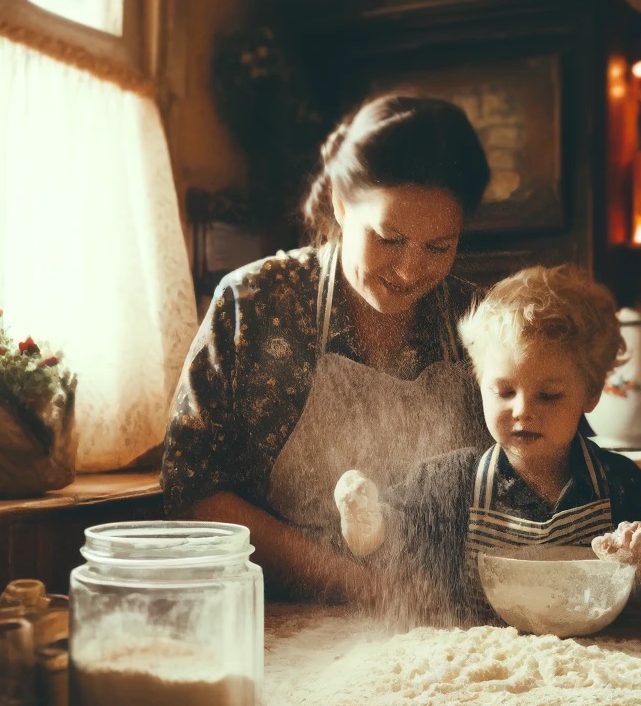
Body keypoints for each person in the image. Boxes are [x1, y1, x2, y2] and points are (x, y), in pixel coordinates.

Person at [161, 93, 492, 602]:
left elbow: (552, 463)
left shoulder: (477, 323)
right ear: (340, 200)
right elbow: (192, 493)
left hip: (445, 619)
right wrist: (360, 586)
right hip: (278, 617)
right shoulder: (256, 305)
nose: (408, 271)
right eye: (388, 238)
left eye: (438, 247)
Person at [334, 264, 641, 623]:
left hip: (593, 668)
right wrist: (367, 523)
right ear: (480, 385)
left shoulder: (619, 484)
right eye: (505, 391)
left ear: (591, 394)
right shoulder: (451, 480)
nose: (523, 410)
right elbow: (388, 546)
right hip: (482, 668)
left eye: (549, 395)